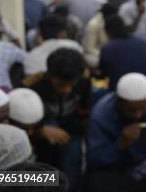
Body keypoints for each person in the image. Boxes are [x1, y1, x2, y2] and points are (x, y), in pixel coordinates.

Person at [86, 73, 146, 192]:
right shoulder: (100, 115)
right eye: (131, 110)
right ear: (118, 102)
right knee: (95, 182)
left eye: (143, 108)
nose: (138, 115)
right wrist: (120, 144)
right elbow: (94, 160)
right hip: (121, 166)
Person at [29, 48, 91, 191]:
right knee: (47, 169)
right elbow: (23, 123)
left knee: (72, 167)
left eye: (72, 84)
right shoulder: (33, 87)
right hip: (43, 128)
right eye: (61, 85)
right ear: (49, 75)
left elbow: (85, 111)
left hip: (72, 128)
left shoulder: (84, 82)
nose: (67, 90)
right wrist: (40, 129)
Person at [99, 15, 146, 91]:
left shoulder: (108, 48)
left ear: (108, 32)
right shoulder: (145, 41)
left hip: (123, 96)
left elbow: (102, 75)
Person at [0, 20, 26, 90]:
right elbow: (26, 58)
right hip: (2, 89)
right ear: (0, 35)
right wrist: (15, 39)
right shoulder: (8, 47)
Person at [83, 3, 118, 69]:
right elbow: (89, 48)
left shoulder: (114, 22)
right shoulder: (93, 25)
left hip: (110, 51)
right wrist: (106, 54)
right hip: (96, 54)